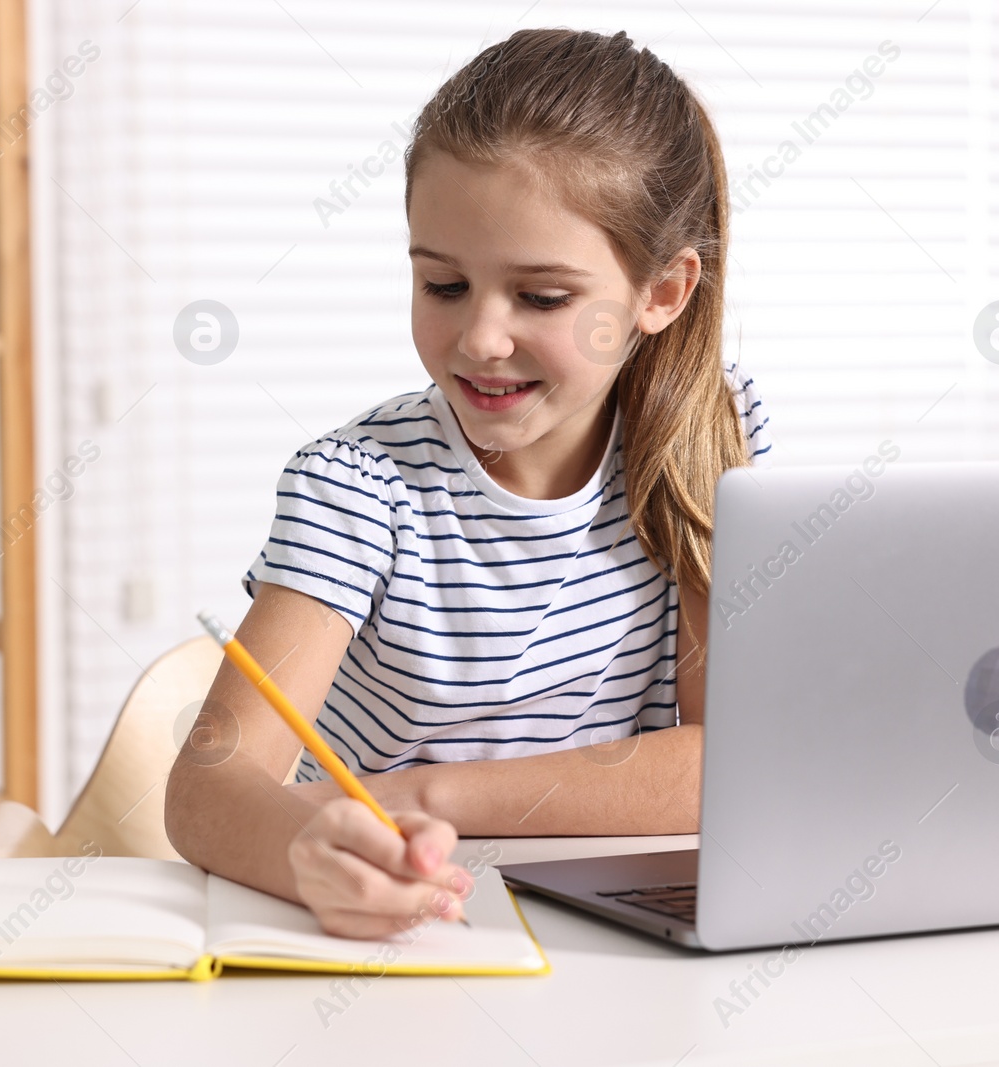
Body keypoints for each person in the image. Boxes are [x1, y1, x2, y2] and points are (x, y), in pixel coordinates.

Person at [165, 27, 775, 940]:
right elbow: (208, 784)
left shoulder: (709, 436)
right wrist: (310, 849)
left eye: (541, 297)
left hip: (597, 925)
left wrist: (420, 793)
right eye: (443, 284)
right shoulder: (362, 487)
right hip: (399, 930)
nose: (480, 338)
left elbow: (727, 766)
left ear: (664, 292)